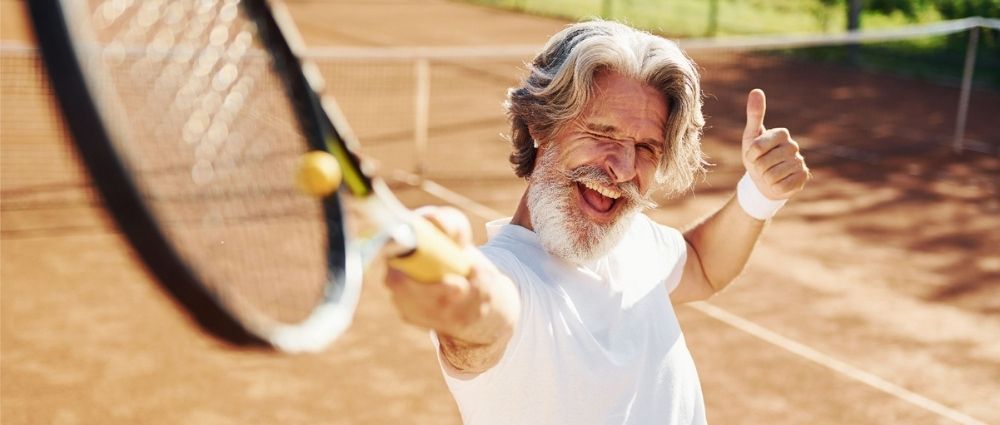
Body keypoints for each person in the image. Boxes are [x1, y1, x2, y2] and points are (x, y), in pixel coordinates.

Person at [380, 20, 809, 424]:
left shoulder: (632, 240)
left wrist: (759, 194)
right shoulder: (510, 277)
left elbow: (701, 263)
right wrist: (463, 300)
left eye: (646, 147)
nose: (623, 168)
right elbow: (485, 319)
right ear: (540, 126)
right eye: (603, 133)